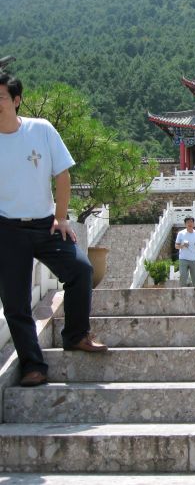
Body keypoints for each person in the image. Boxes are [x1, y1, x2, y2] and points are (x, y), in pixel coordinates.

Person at [0, 73, 108, 389]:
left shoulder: (41, 129)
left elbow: (62, 174)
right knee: (15, 303)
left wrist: (61, 218)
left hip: (46, 224)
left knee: (81, 270)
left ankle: (75, 335)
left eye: (1, 98)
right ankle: (33, 366)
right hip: (7, 229)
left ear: (16, 100)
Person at [174, 216, 195, 286]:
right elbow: (176, 246)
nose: (190, 224)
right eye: (188, 222)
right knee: (183, 277)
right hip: (183, 258)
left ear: (193, 224)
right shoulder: (181, 233)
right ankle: (182, 292)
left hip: (194, 259)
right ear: (185, 224)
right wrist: (182, 246)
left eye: (191, 222)